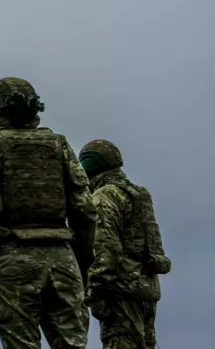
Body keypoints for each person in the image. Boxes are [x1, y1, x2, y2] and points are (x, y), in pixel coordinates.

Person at [0, 77, 96, 349]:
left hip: (12, 258)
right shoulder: (59, 145)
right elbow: (84, 209)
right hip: (64, 259)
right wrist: (82, 260)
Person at [79, 139, 171, 349]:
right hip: (147, 288)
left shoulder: (104, 196)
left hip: (120, 291)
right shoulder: (138, 193)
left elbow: (104, 248)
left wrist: (95, 291)